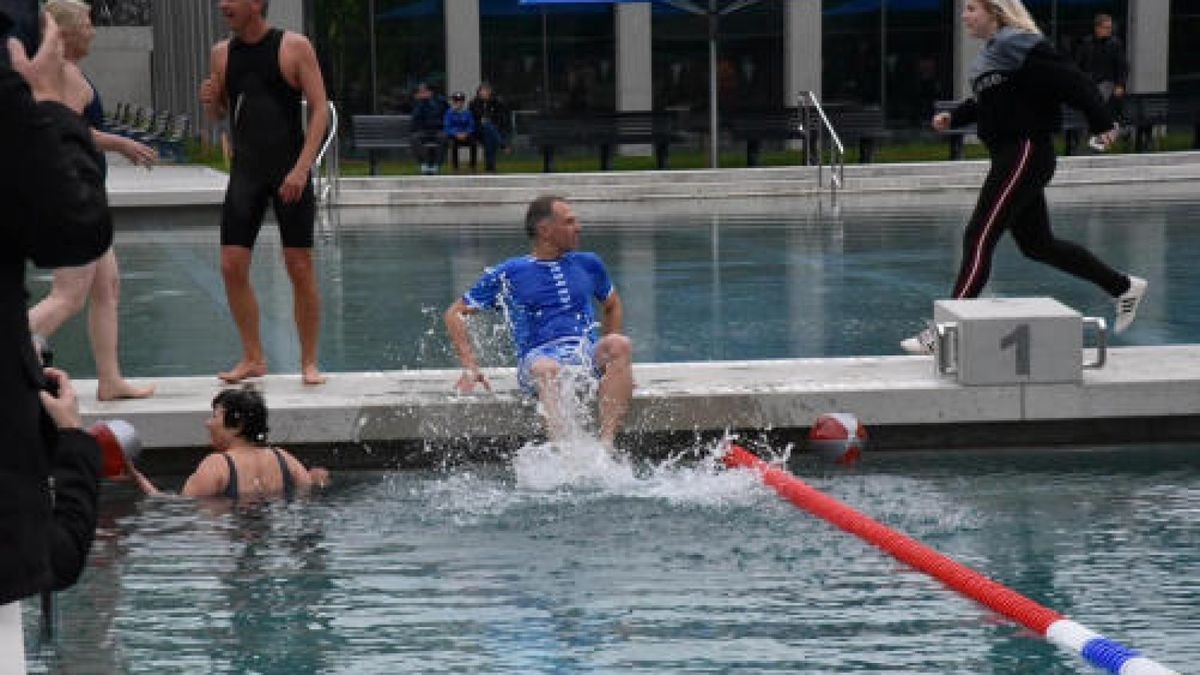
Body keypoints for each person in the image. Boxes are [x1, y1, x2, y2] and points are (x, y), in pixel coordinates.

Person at [901, 0, 1146, 355]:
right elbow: (993, 100)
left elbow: (1070, 79)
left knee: (978, 236)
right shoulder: (994, 53)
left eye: (971, 8)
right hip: (1013, 154)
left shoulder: (1016, 41)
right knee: (1037, 244)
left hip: (1024, 151)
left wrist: (1102, 121)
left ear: (995, 12)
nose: (964, 15)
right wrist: (954, 117)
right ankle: (1122, 286)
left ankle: (944, 334)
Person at [1, 8, 110, 609]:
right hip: (63, 178)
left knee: (90, 292)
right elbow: (75, 227)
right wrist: (45, 104)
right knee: (71, 292)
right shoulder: (34, 92)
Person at [28, 0, 157, 402]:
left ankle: (110, 379)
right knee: (68, 296)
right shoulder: (61, 72)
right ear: (64, 33)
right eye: (87, 23)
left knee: (108, 287)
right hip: (71, 196)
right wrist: (121, 142)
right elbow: (69, 130)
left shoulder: (67, 71)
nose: (93, 30)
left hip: (82, 194)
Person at [200, 0, 329, 385]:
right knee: (231, 265)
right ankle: (253, 357)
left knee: (299, 266)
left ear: (256, 3)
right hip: (247, 173)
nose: (223, 5)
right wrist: (212, 102)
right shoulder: (221, 53)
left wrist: (302, 168)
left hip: (290, 169)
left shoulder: (294, 46)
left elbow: (320, 109)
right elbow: (222, 112)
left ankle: (309, 362)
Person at [444, 195, 634, 446]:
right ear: (545, 230)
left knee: (619, 344)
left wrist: (613, 368)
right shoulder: (510, 272)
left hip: (585, 353)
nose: (578, 227)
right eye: (569, 222)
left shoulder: (589, 263)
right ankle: (562, 451)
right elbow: (455, 313)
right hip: (537, 360)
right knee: (547, 369)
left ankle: (606, 445)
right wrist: (471, 366)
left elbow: (612, 304)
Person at [124, 386, 330, 499]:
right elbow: (311, 488)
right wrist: (316, 478)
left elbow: (181, 507)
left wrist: (138, 478)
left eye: (214, 416)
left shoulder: (218, 465)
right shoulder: (284, 459)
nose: (208, 423)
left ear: (237, 425)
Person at [1074, 13, 1128, 122]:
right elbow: (1078, 65)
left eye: (1110, 28)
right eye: (1106, 27)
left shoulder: (1115, 44)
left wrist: (1120, 85)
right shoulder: (1086, 43)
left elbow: (1123, 67)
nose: (1109, 30)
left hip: (1108, 84)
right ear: (1097, 28)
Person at [469, 82, 509, 173]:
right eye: (482, 91)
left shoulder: (495, 103)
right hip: (477, 131)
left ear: (490, 92)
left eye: (486, 91)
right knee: (488, 128)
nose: (484, 93)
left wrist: (489, 120)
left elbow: (500, 117)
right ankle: (502, 145)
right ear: (478, 92)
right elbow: (473, 118)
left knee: (489, 138)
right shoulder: (473, 103)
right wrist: (482, 120)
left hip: (491, 131)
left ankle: (490, 168)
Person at [410, 82, 446, 175]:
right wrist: (420, 103)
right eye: (421, 91)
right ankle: (424, 163)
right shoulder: (417, 103)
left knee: (443, 137)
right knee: (414, 138)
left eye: (424, 91)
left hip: (436, 130)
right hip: (423, 131)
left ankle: (437, 165)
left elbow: (442, 117)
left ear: (430, 92)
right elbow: (415, 120)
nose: (422, 93)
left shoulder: (439, 101)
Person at [443, 90, 476, 172]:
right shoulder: (449, 113)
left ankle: (472, 166)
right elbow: (447, 127)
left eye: (460, 101)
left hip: (466, 135)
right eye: (456, 101)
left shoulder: (467, 112)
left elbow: (471, 125)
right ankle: (455, 167)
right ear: (453, 102)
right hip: (455, 136)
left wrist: (466, 133)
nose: (458, 103)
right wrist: (456, 133)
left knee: (473, 143)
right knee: (453, 145)